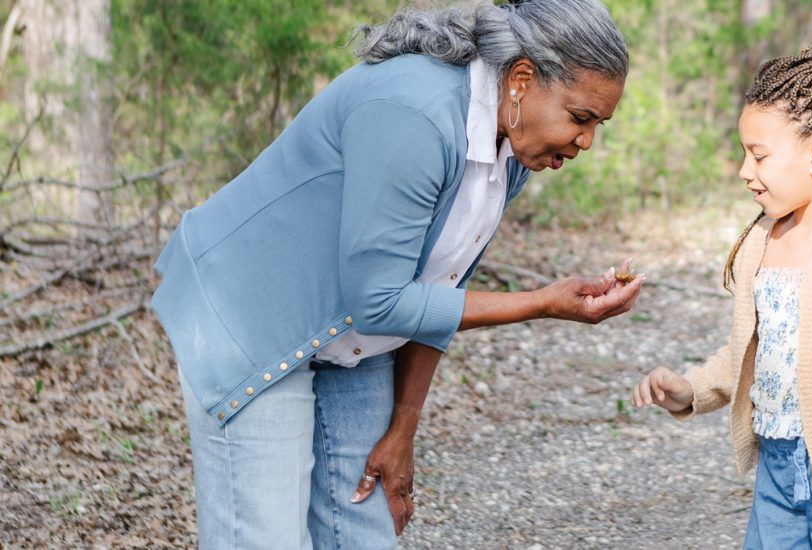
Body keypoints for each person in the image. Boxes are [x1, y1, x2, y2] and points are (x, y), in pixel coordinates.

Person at [151, 0, 641, 547]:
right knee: (265, 536)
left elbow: (439, 290)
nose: (587, 142)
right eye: (580, 117)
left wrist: (402, 428)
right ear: (522, 78)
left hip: (350, 336)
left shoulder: (515, 143)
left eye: (599, 124)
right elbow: (381, 302)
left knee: (364, 532)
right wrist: (543, 302)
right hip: (249, 316)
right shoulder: (418, 112)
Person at [631, 44, 812, 549]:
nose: (745, 171)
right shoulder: (762, 242)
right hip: (777, 470)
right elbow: (752, 352)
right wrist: (691, 389)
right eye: (745, 153)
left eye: (759, 155)